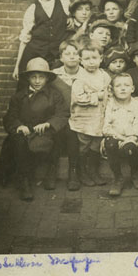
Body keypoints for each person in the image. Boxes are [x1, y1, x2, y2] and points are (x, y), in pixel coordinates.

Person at [0, 57, 69, 201]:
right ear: (28, 78)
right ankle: (24, 181)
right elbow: (10, 117)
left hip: (45, 132)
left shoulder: (54, 95)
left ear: (47, 79)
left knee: (61, 132)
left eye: (41, 77)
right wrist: (19, 126)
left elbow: (62, 114)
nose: (37, 81)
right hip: (26, 133)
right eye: (33, 77)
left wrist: (49, 123)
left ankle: (51, 171)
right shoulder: (18, 97)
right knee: (17, 141)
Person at [13, 0, 72, 79]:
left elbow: (75, 16)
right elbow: (25, 39)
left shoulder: (64, 3)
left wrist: (70, 18)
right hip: (35, 53)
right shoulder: (32, 9)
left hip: (56, 55)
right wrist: (17, 66)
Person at [69, 40, 111, 187]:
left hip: (99, 117)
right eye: (86, 59)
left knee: (96, 144)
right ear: (81, 61)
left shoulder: (105, 76)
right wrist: (96, 97)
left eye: (94, 58)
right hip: (84, 119)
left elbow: (109, 93)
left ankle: (93, 170)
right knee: (84, 144)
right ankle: (82, 171)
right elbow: (79, 98)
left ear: (101, 58)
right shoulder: (80, 79)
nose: (91, 62)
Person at [103, 73, 138, 196]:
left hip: (132, 138)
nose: (122, 88)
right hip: (114, 137)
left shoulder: (137, 105)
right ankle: (117, 178)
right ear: (113, 89)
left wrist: (129, 138)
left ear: (132, 89)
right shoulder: (110, 104)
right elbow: (106, 127)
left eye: (126, 85)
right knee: (110, 144)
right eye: (118, 86)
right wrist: (121, 138)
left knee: (130, 148)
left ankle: (135, 173)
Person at [50, 39, 85, 191]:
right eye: (67, 53)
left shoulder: (88, 74)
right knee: (59, 129)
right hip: (60, 116)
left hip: (82, 116)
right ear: (61, 57)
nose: (71, 56)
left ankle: (73, 172)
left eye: (75, 53)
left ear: (80, 57)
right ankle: (51, 170)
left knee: (71, 131)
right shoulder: (53, 76)